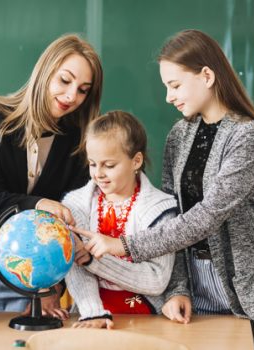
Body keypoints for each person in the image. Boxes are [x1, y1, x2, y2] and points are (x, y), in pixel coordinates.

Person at [71, 30, 254, 349]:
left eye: (174, 85)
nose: (168, 97)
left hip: (245, 284)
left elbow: (207, 216)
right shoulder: (179, 135)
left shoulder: (247, 136)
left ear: (207, 76)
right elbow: (170, 216)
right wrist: (177, 289)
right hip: (194, 281)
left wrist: (124, 245)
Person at [0, 33, 103, 316]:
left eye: (83, 90)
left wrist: (51, 288)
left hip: (44, 272)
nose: (71, 97)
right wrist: (41, 203)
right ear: (45, 72)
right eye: (65, 81)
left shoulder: (81, 140)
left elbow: (74, 214)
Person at [63, 111, 177, 329]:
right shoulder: (76, 204)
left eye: (109, 165)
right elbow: (76, 265)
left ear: (136, 161)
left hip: (145, 313)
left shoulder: (160, 209)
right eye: (93, 164)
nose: (98, 174)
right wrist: (92, 313)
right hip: (90, 310)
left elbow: (156, 280)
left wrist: (93, 261)